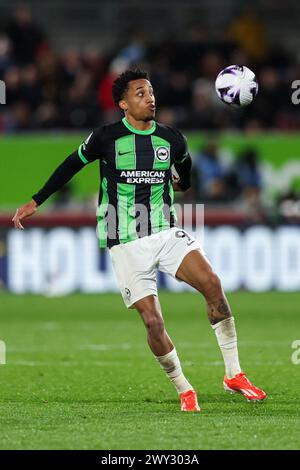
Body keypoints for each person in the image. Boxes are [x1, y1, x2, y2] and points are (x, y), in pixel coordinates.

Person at [12, 69, 266, 411]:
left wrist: (180, 181)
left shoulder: (172, 139)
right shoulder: (105, 137)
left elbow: (185, 175)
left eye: (151, 92)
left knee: (213, 284)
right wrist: (36, 201)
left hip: (164, 231)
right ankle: (184, 388)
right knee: (153, 321)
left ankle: (233, 373)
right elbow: (71, 165)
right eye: (140, 94)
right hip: (124, 239)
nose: (150, 98)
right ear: (123, 103)